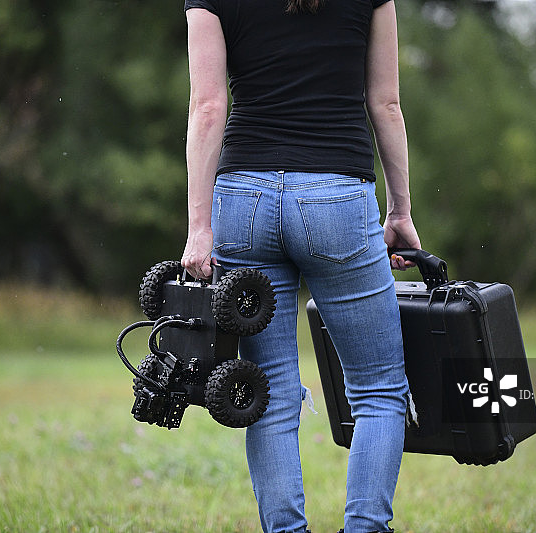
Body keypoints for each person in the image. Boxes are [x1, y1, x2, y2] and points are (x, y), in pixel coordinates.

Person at [180, 1, 421, 531]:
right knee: (379, 389)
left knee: (269, 391)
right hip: (337, 197)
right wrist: (400, 210)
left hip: (244, 200)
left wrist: (200, 227)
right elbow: (386, 103)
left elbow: (207, 106)